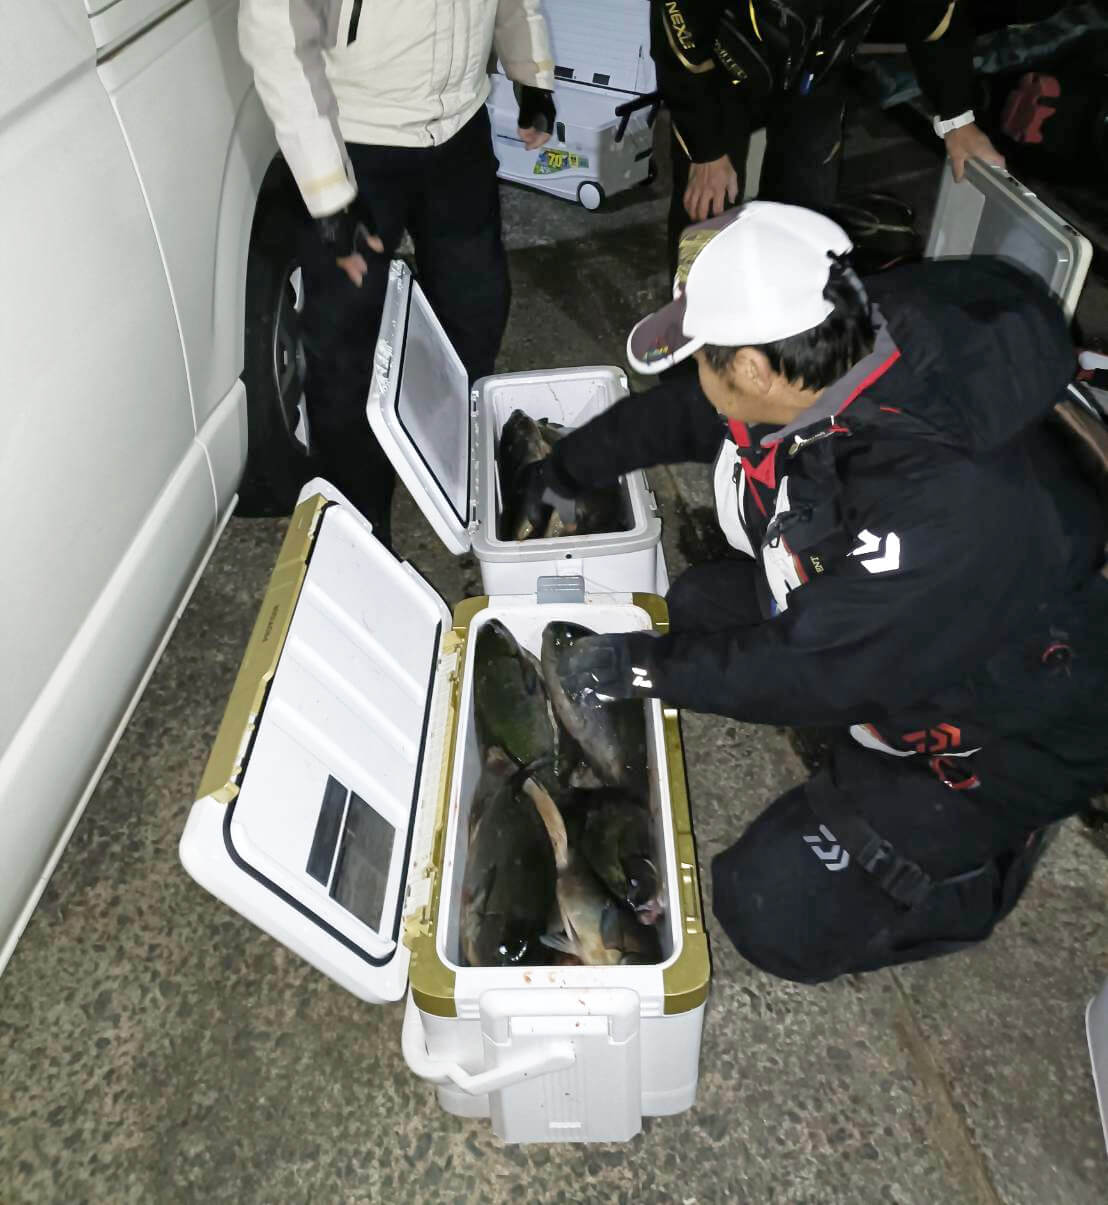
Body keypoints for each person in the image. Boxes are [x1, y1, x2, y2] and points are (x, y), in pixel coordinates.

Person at [528, 202, 1108, 983]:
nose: (698, 378)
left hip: (1008, 728)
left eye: (706, 359)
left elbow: (812, 668)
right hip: (905, 623)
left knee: (766, 906)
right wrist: (565, 470)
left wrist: (642, 666)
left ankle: (981, 864)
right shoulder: (836, 334)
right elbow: (689, 413)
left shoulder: (941, 509)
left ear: (754, 370)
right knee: (699, 610)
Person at [239, 1, 556, 538]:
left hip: (459, 126)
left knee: (474, 312)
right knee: (346, 348)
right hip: (354, 137)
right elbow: (276, 31)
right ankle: (359, 528)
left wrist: (531, 71)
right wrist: (327, 194)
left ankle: (454, 478)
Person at [652, 1, 1006, 272]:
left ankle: (789, 316)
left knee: (808, 213)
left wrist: (958, 118)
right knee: (706, 212)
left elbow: (937, 22)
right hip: (721, 73)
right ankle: (688, 329)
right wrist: (706, 149)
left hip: (819, 69)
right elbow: (678, 36)